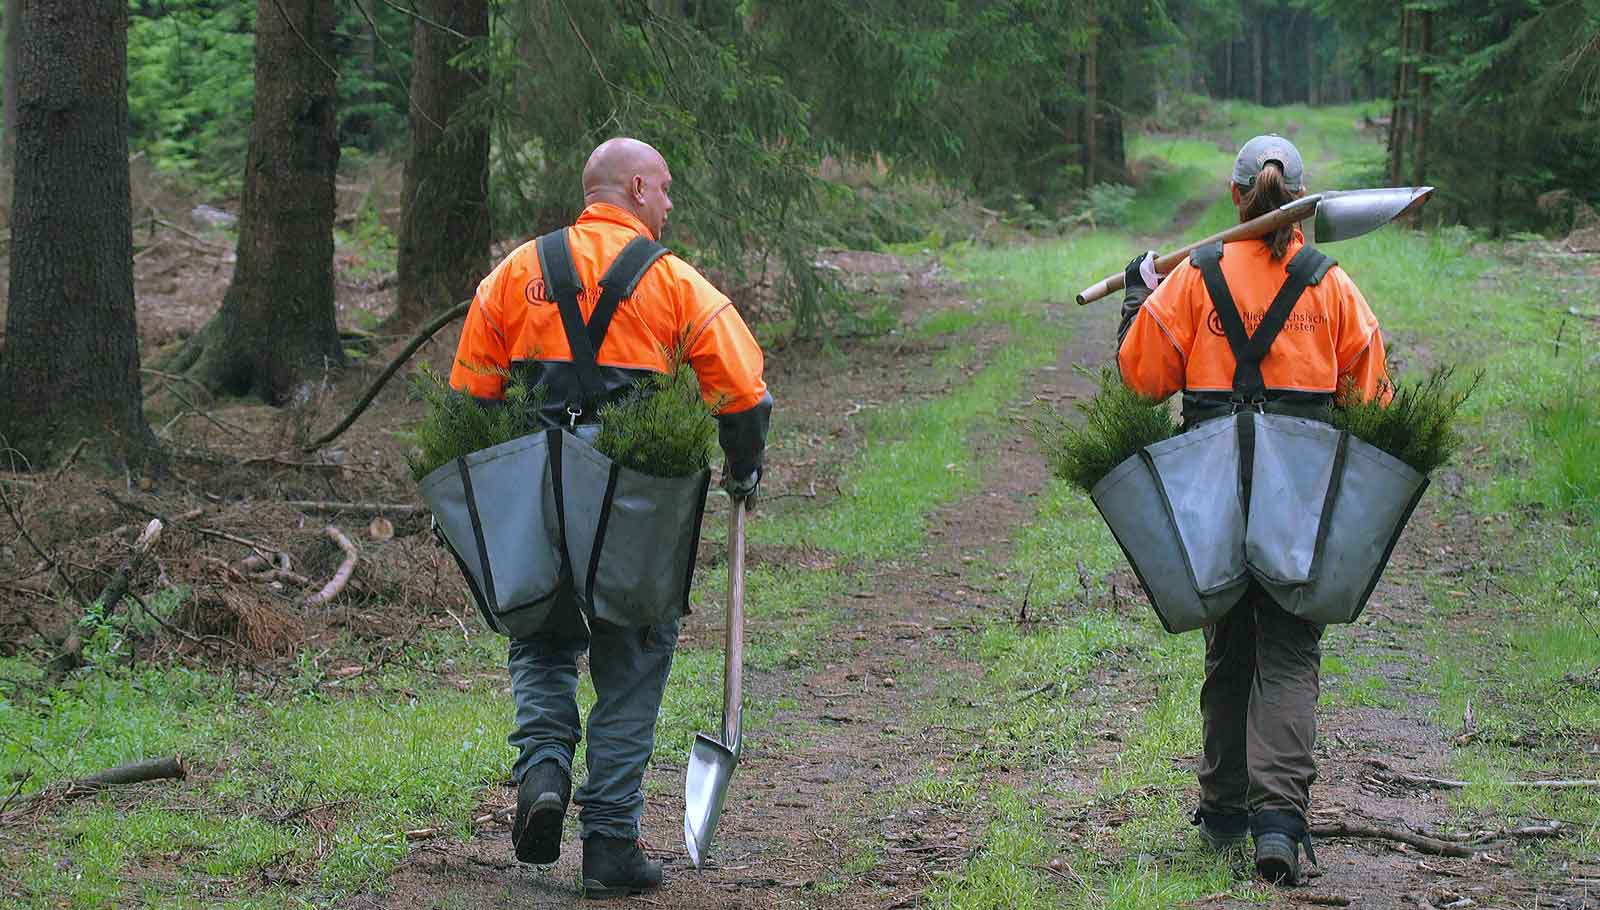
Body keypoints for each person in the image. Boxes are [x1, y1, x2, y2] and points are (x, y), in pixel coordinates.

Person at [449, 137, 770, 898]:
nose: (667, 204)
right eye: (662, 189)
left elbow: (470, 401)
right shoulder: (674, 282)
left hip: (535, 486)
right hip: (636, 500)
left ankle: (544, 774)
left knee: (541, 639)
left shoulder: (514, 273)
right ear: (633, 187)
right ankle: (609, 845)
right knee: (633, 659)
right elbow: (746, 394)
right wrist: (744, 467)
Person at [1114, 134, 1389, 885]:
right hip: (1298, 495)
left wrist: (1141, 291)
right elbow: (1374, 401)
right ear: (1302, 203)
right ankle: (1278, 822)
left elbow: (1140, 379)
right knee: (1290, 651)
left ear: (1237, 197)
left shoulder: (1195, 276)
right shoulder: (1332, 286)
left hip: (1214, 488)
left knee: (1229, 641)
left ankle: (1226, 810)